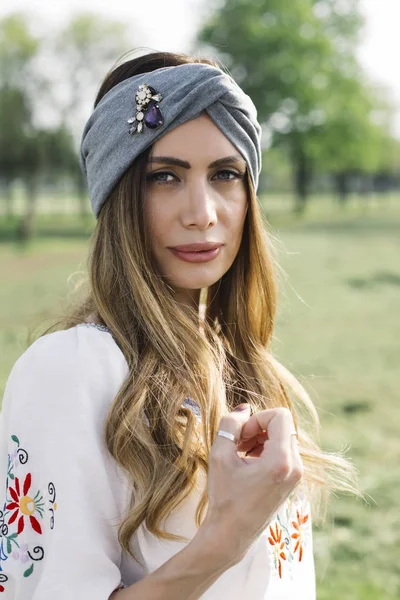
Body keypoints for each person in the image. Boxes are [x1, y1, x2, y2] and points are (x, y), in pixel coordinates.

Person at [0, 50, 357, 599]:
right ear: (116, 196)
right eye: (164, 177)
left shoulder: (244, 367)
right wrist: (225, 537)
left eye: (225, 174)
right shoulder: (69, 372)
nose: (202, 211)